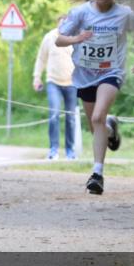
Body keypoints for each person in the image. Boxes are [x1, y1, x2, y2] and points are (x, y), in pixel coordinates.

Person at [55, 0, 134, 195]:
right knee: (95, 125)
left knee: (97, 116)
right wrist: (77, 37)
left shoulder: (124, 13)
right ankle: (110, 127)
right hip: (85, 75)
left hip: (111, 72)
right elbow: (59, 40)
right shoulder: (80, 13)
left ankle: (97, 174)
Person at [33, 15, 77, 160]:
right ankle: (53, 150)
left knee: (71, 118)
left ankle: (70, 151)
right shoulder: (49, 37)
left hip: (72, 83)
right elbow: (41, 58)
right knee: (54, 115)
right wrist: (37, 77)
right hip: (53, 82)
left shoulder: (75, 38)